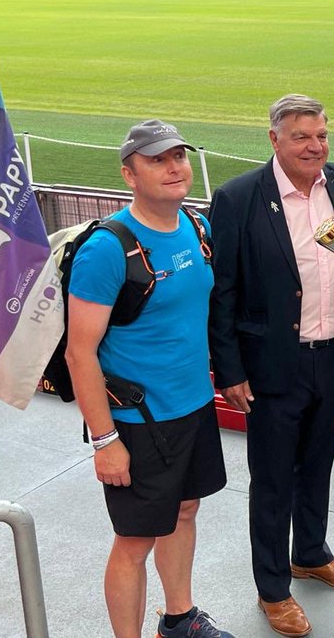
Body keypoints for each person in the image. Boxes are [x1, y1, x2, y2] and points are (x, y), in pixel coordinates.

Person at [208, 95, 334, 638]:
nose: (315, 146)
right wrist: (230, 371)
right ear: (274, 139)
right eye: (302, 136)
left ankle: (311, 554)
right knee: (274, 480)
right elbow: (223, 293)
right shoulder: (237, 199)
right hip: (272, 367)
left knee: (318, 466)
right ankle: (273, 589)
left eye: (322, 134)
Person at [65, 120, 233, 638]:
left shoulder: (196, 226)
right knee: (134, 541)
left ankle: (179, 619)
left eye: (178, 156)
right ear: (128, 173)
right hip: (138, 421)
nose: (174, 166)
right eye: (157, 159)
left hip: (193, 406)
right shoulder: (107, 248)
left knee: (184, 510)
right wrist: (105, 441)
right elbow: (79, 353)